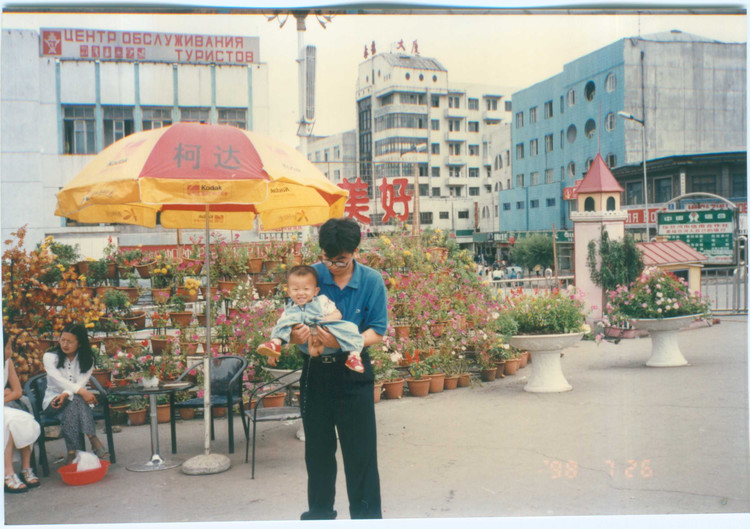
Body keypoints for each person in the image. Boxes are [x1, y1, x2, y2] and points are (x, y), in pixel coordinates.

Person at [288, 217, 387, 520]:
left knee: (361, 457)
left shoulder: (371, 281)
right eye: (327, 259)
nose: (332, 266)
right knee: (317, 456)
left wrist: (345, 341)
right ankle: (319, 518)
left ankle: (367, 520)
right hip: (316, 373)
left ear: (355, 250)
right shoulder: (310, 276)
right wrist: (296, 336)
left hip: (353, 375)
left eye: (340, 260)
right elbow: (289, 325)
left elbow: (378, 331)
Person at [257, 264, 366, 373]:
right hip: (304, 333)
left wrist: (327, 319)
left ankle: (354, 356)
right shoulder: (290, 310)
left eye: (306, 289)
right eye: (295, 289)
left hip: (323, 326)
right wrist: (273, 352)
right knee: (282, 324)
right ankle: (275, 345)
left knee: (350, 327)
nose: (301, 293)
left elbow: (337, 313)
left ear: (315, 291)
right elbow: (280, 329)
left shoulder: (322, 301)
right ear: (289, 292)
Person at [42, 323, 108, 465]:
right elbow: (58, 380)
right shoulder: (49, 357)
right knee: (77, 398)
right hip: (53, 401)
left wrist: (67, 394)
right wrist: (80, 392)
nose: (65, 344)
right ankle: (92, 437)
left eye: (70, 341)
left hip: (72, 403)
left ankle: (72, 452)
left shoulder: (87, 360)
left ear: (80, 344)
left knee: (73, 402)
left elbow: (81, 383)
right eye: (62, 340)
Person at [4, 333, 42, 493]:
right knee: (9, 422)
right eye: (7, 347)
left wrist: (4, 395)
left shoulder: (8, 363)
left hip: (3, 405)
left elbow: (17, 392)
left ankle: (26, 468)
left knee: (25, 419)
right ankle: (7, 473)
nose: (10, 351)